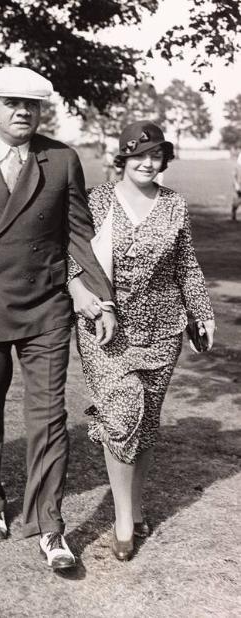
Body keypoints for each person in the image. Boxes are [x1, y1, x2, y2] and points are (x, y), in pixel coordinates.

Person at [0, 66, 117, 570]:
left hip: (46, 306)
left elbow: (79, 232)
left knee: (49, 417)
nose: (22, 112)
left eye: (31, 105)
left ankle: (51, 526)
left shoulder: (61, 158)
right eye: (12, 103)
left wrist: (101, 297)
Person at [75, 120, 215, 561]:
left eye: (156, 156)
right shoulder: (97, 201)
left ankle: (135, 509)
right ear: (123, 158)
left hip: (162, 329)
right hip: (106, 329)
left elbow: (186, 266)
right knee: (121, 417)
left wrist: (202, 313)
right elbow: (71, 256)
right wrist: (82, 295)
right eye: (139, 155)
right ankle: (122, 519)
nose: (148, 163)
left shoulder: (174, 205)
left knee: (147, 419)